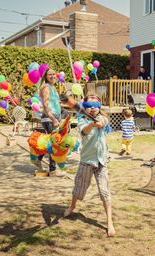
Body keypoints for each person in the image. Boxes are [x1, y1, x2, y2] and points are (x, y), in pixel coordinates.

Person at [64, 94, 115, 237]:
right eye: (89, 106)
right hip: (87, 161)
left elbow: (104, 120)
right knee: (79, 188)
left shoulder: (103, 118)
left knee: (105, 191)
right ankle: (72, 205)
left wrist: (100, 122)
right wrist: (92, 124)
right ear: (84, 108)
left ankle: (109, 222)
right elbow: (84, 131)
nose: (93, 109)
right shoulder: (82, 121)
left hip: (102, 161)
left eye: (96, 106)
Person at [35, 67, 65, 177]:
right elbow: (46, 105)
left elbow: (54, 103)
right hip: (49, 118)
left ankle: (38, 159)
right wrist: (53, 119)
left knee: (50, 143)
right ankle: (52, 170)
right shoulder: (46, 87)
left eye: (54, 74)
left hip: (55, 117)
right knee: (53, 144)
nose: (52, 76)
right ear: (46, 77)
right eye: (49, 75)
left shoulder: (52, 87)